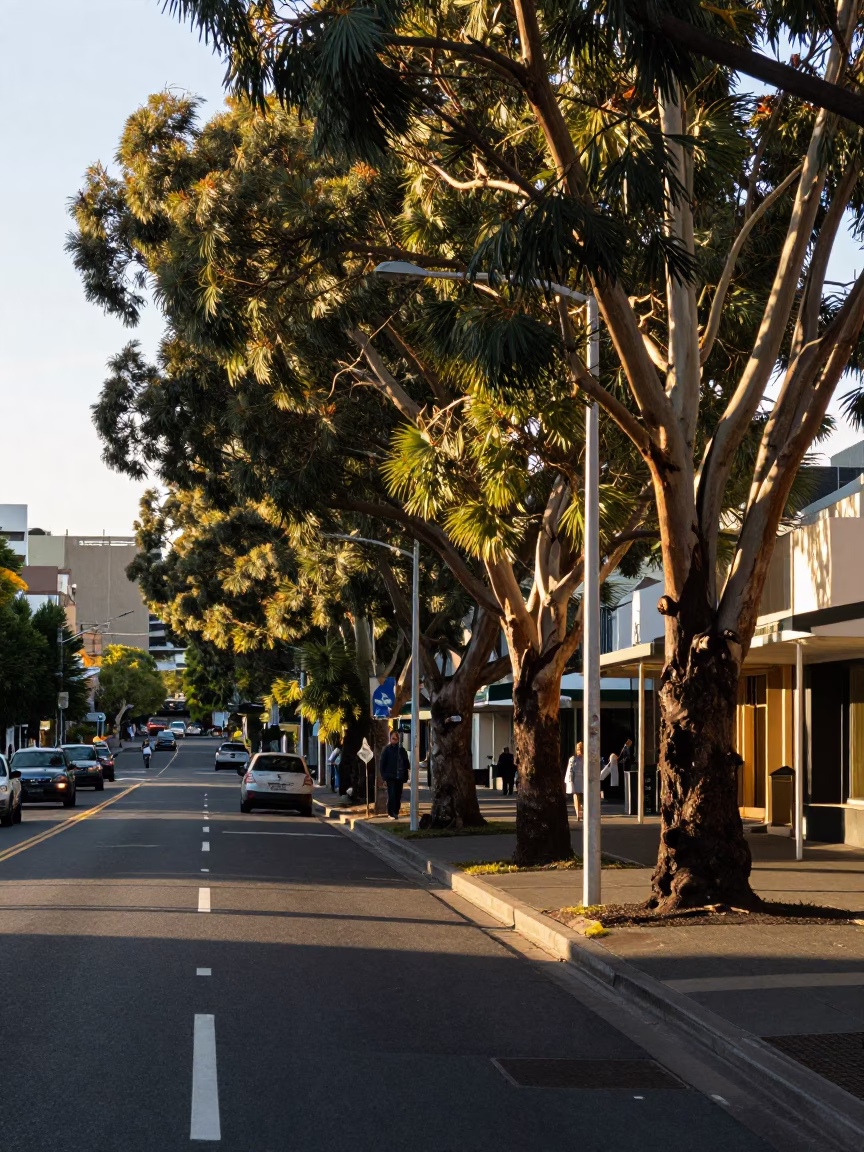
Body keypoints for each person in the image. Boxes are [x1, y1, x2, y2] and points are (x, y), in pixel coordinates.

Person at [379, 729, 410, 819]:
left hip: (400, 777)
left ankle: (396, 811)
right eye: (393, 738)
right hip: (390, 776)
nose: (395, 740)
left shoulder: (402, 750)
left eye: (396, 738)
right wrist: (384, 776)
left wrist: (406, 773)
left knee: (398, 795)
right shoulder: (387, 750)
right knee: (392, 794)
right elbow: (382, 764)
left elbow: (406, 762)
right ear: (390, 739)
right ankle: (391, 812)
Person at [564, 741, 584, 819]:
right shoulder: (583, 758)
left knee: (577, 795)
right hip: (579, 778)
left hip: (576, 778)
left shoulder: (573, 758)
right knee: (579, 795)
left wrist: (568, 780)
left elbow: (569, 770)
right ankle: (579, 812)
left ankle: (578, 813)